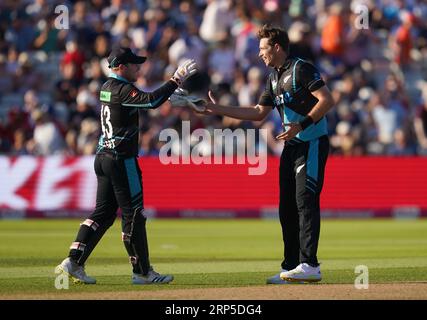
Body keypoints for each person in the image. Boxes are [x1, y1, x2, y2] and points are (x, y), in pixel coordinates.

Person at [200, 25, 334, 283]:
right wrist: (217, 109)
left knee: (305, 201)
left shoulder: (301, 68)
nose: (259, 54)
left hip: (312, 142)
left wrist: (301, 125)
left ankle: (310, 265)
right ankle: (292, 265)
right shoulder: (273, 77)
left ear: (277, 47)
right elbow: (259, 112)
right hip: (291, 147)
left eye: (263, 48)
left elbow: (327, 99)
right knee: (287, 208)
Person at [57, 47, 197, 285]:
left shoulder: (106, 88)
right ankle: (142, 272)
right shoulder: (123, 89)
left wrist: (170, 95)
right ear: (121, 66)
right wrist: (175, 79)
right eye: (134, 64)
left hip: (103, 157)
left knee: (103, 213)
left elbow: (142, 101)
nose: (138, 68)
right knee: (134, 214)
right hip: (123, 159)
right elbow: (150, 101)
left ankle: (74, 261)